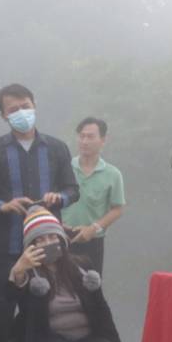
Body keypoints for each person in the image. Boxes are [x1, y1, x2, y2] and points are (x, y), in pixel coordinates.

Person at [0, 84, 78, 342]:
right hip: (7, 246)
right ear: (3, 115)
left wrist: (59, 197)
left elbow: (73, 189)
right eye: (13, 109)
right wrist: (3, 206)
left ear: (35, 104)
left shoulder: (57, 149)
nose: (21, 113)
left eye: (25, 105)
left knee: (40, 311)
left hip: (48, 248)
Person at [0, 206, 126, 342]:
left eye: (52, 237)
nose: (48, 243)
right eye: (40, 240)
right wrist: (18, 271)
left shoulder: (83, 266)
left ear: (61, 239)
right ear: (31, 246)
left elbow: (101, 308)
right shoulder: (28, 273)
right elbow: (9, 299)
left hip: (84, 339)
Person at [62, 117, 126, 277]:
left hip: (92, 242)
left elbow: (117, 209)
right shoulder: (64, 168)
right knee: (60, 286)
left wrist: (93, 228)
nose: (85, 141)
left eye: (90, 137)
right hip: (60, 238)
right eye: (81, 136)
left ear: (103, 140)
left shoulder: (113, 174)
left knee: (90, 286)